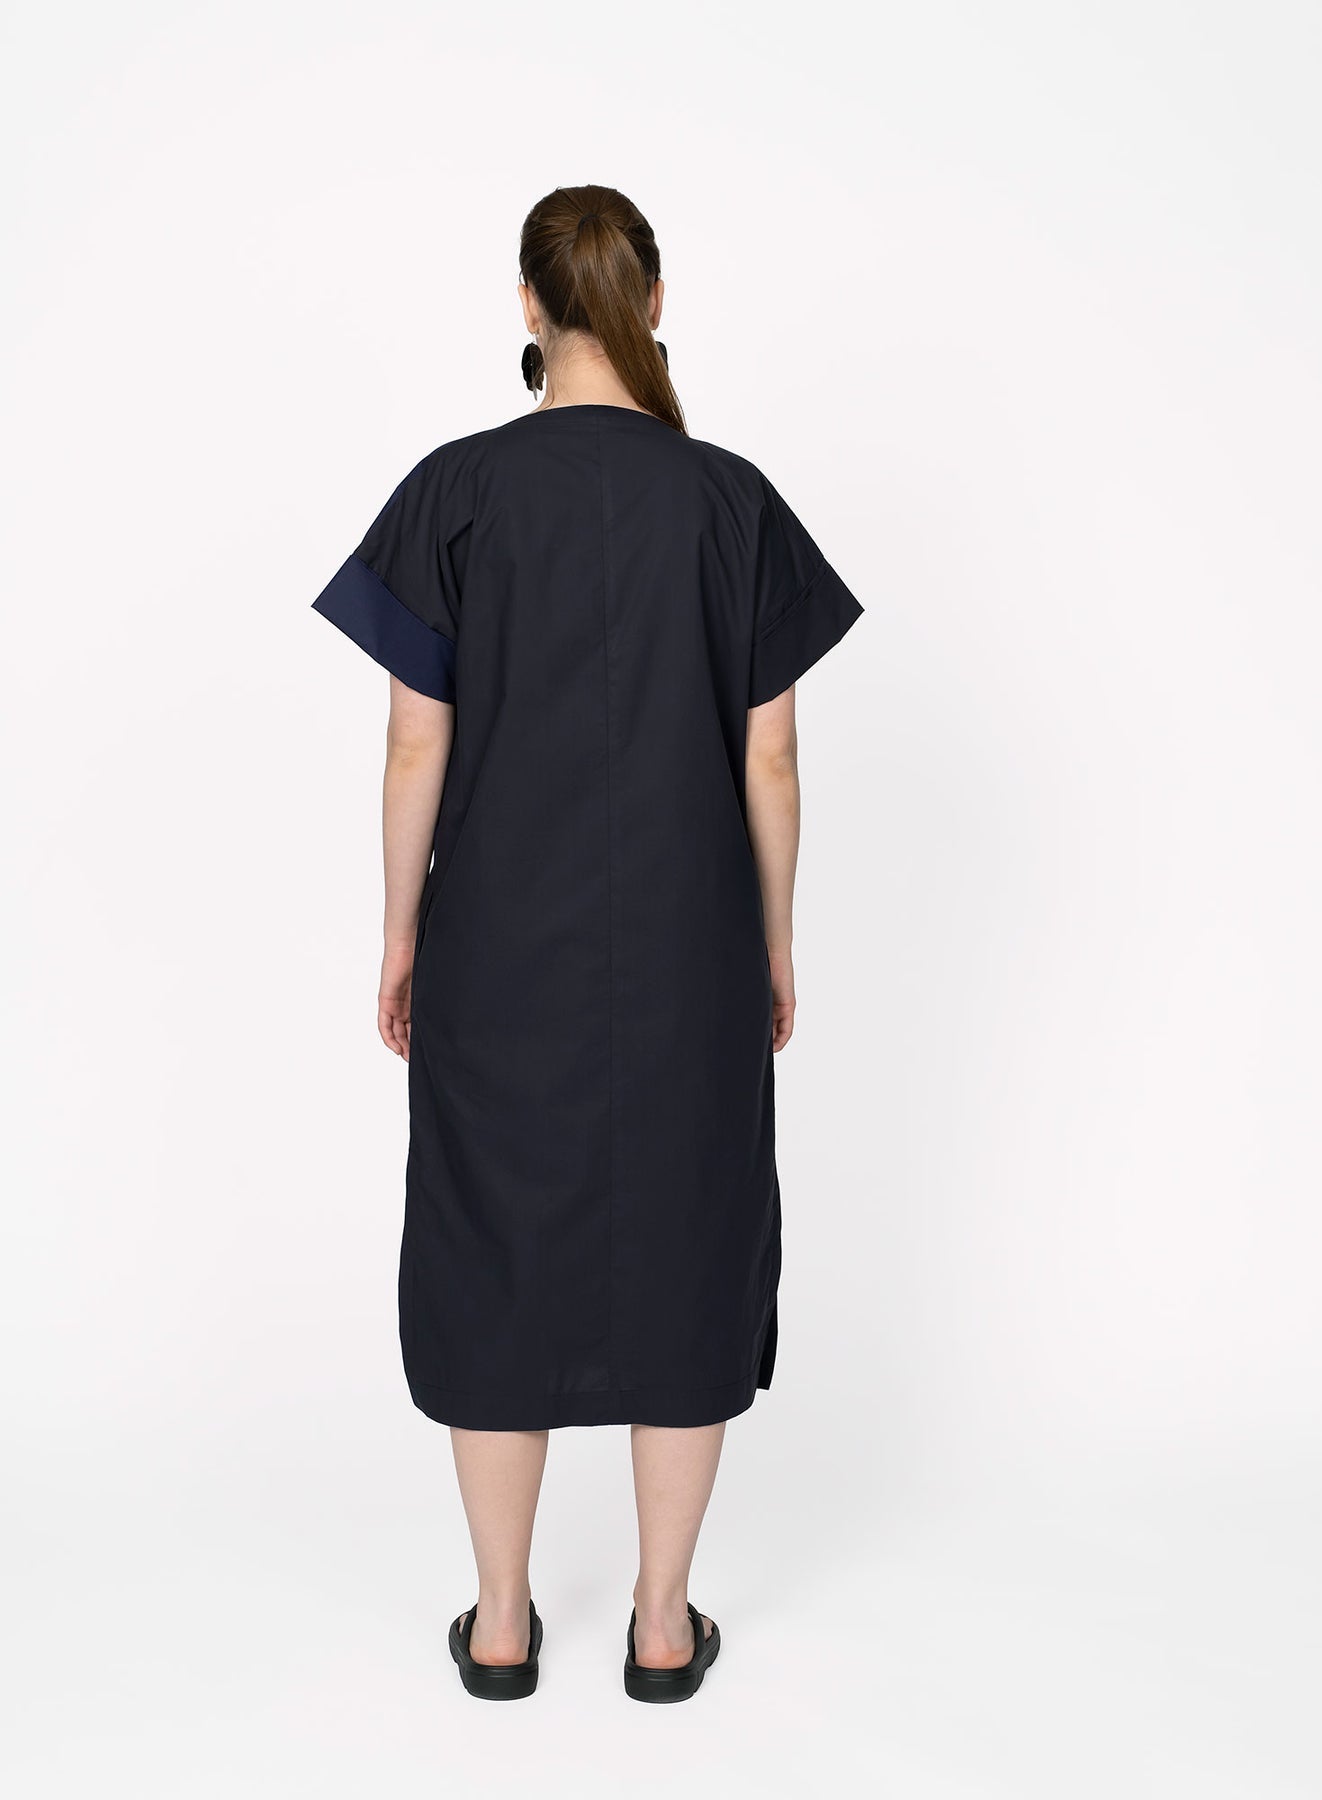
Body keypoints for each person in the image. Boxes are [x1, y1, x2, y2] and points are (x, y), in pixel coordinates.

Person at [311, 184, 864, 1703]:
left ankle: (500, 1625)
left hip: (497, 951)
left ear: (527, 307)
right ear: (653, 302)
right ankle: (663, 1627)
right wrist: (772, 941)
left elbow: (413, 747)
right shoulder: (730, 504)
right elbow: (770, 759)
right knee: (687, 1248)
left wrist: (400, 937)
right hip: (691, 956)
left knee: (494, 1250)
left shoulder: (457, 493)